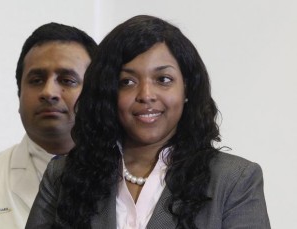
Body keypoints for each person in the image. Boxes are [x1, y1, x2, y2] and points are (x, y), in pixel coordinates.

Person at [26, 15, 270, 228]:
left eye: (163, 79)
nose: (146, 95)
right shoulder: (63, 175)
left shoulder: (234, 180)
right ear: (108, 93)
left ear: (187, 89)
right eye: (127, 82)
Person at [0, 22, 97, 229]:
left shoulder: (132, 181)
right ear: (19, 94)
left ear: (97, 95)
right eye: (36, 80)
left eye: (67, 80)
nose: (49, 92)